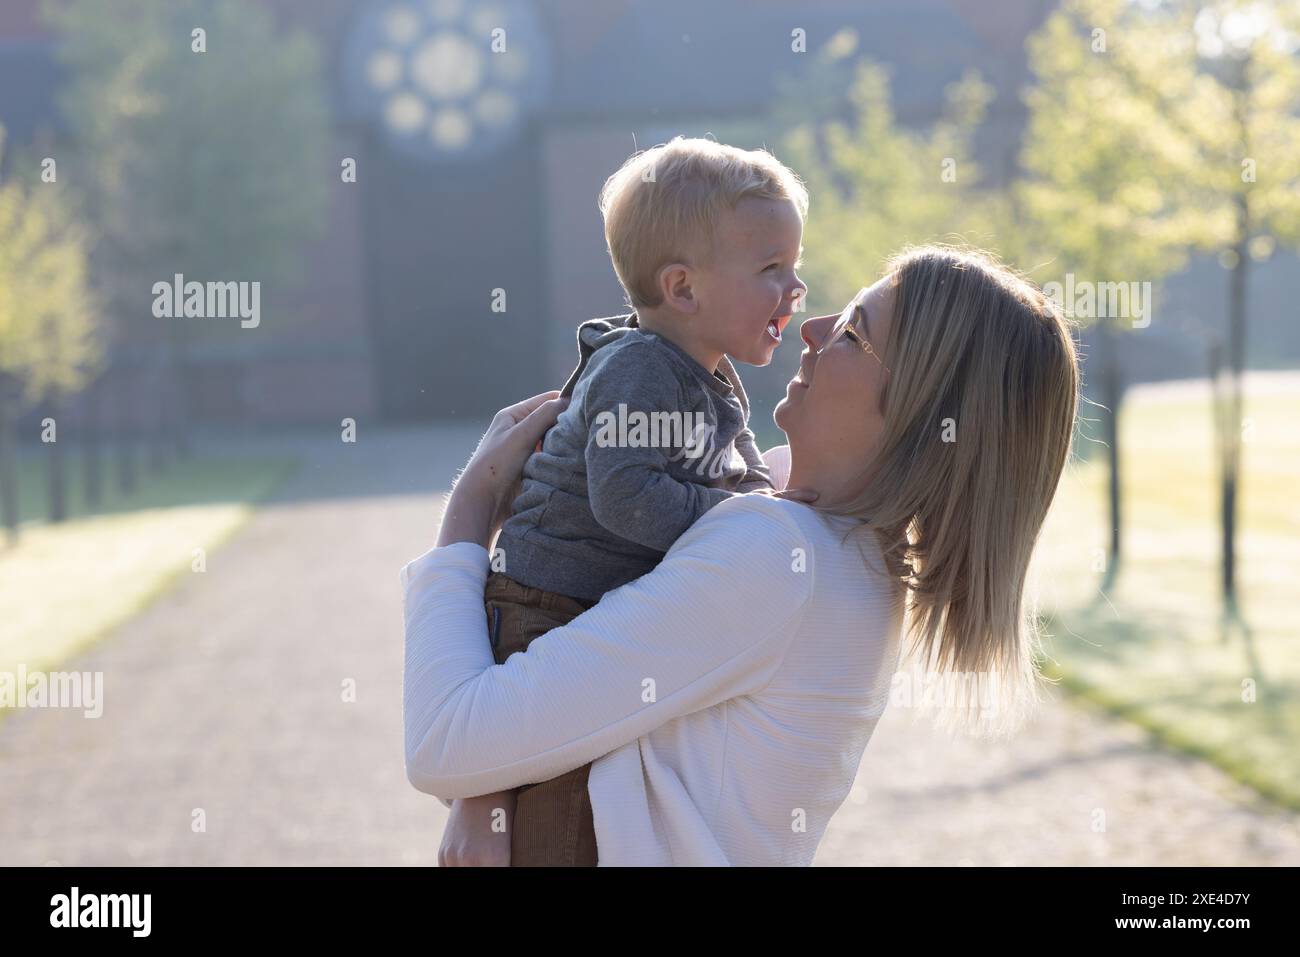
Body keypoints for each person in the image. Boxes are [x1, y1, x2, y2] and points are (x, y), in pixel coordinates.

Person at [404, 245, 1081, 866]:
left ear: (916, 410)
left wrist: (470, 510)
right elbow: (566, 698)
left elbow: (448, 741)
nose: (813, 328)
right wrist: (483, 792)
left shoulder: (778, 555)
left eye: (853, 332)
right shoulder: (847, 551)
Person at [465, 137, 811, 865]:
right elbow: (626, 498)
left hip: (590, 606)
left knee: (606, 775)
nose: (795, 289)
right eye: (772, 269)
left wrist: (764, 504)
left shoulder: (708, 374)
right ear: (684, 289)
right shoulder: (641, 370)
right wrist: (737, 518)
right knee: (560, 792)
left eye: (795, 267)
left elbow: (744, 471)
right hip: (545, 604)